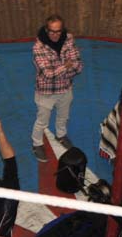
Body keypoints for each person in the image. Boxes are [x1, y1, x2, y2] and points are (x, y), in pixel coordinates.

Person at [31, 15, 83, 162]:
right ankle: (36, 144)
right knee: (42, 121)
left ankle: (61, 135)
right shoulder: (38, 47)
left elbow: (79, 66)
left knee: (63, 116)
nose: (55, 35)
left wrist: (62, 69)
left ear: (63, 30)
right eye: (52, 31)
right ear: (46, 30)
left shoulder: (69, 39)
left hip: (66, 88)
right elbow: (47, 75)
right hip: (46, 92)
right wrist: (66, 66)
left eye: (58, 31)